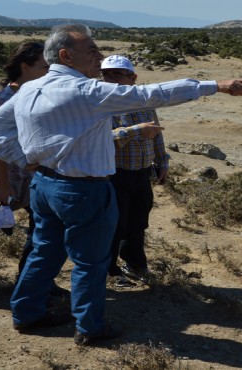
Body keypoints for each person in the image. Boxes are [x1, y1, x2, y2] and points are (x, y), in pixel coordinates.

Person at [0, 23, 242, 346]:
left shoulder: (30, 89)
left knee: (44, 252)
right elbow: (152, 94)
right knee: (91, 261)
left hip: (44, 185)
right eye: (92, 50)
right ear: (66, 55)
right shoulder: (86, 92)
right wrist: (217, 85)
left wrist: (23, 157)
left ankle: (26, 313)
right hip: (83, 190)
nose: (99, 56)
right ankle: (90, 327)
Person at [0, 41, 69, 298]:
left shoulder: (40, 93)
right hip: (21, 178)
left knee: (43, 231)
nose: (49, 71)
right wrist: (4, 186)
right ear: (25, 66)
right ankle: (31, 284)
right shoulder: (2, 101)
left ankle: (33, 281)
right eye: (44, 66)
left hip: (43, 176)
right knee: (42, 233)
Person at [100, 55, 168, 287]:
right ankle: (109, 269)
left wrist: (162, 162)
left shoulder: (145, 103)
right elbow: (98, 140)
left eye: (117, 74)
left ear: (132, 78)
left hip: (141, 172)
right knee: (114, 223)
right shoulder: (101, 104)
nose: (110, 79)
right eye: (106, 74)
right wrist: (134, 131)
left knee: (139, 221)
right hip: (114, 173)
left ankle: (135, 263)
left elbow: (156, 133)